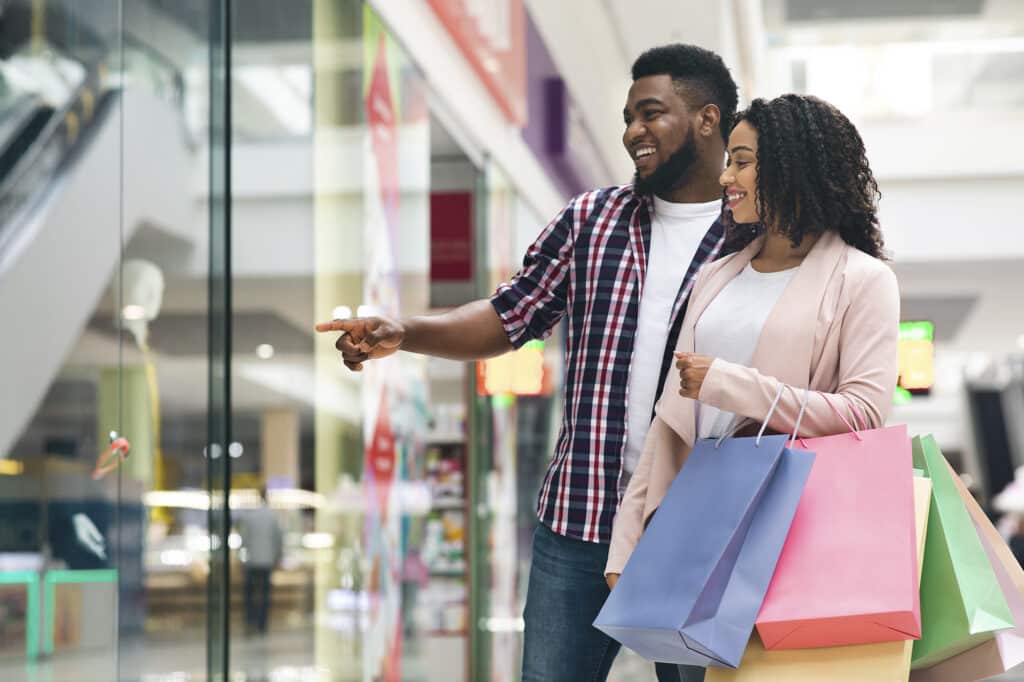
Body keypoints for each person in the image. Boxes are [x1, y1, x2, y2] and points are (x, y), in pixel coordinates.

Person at [317, 44, 753, 682]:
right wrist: (403, 330)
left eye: (650, 113)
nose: (632, 131)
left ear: (708, 119)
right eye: (628, 117)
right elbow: (508, 314)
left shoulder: (753, 235)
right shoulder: (592, 220)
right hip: (580, 518)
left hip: (700, 529)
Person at [606, 94, 900, 660]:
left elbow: (863, 414)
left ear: (791, 166)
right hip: (698, 528)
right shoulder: (716, 278)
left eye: (741, 161)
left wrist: (731, 385)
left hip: (795, 535)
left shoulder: (863, 280)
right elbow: (669, 421)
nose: (725, 176)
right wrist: (627, 543)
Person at [239, 487, 283, 635]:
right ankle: (262, 625)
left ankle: (250, 620)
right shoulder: (272, 516)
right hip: (266, 561)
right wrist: (277, 558)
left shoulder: (251, 516)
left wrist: (242, 559)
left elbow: (243, 541)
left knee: (250, 594)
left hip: (252, 561)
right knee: (264, 595)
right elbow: (278, 540)